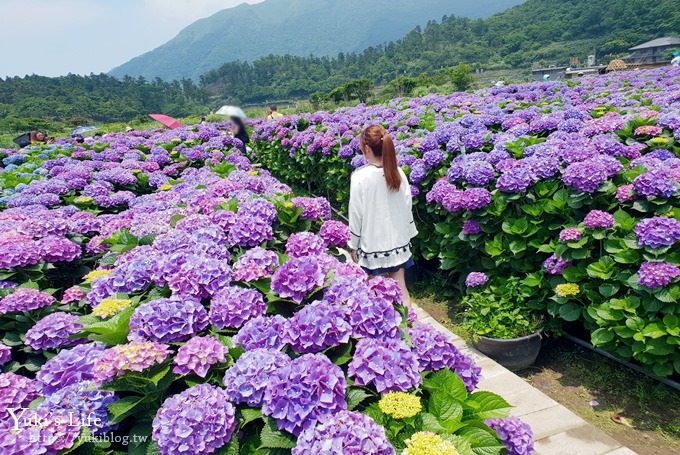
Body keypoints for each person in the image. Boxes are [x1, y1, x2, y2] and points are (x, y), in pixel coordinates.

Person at [349, 125, 418, 307]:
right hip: (398, 243)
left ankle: (381, 331)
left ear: (367, 149)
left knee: (373, 292)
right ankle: (407, 328)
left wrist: (353, 245)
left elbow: (356, 214)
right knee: (401, 288)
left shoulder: (360, 177)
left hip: (373, 245)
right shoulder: (398, 172)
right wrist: (408, 234)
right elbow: (407, 206)